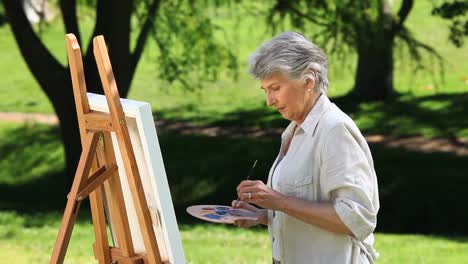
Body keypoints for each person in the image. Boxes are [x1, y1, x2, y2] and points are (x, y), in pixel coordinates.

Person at [232, 32, 380, 264]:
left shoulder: (335, 129)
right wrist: (261, 215)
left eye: (275, 88)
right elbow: (306, 207)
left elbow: (356, 218)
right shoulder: (294, 130)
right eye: (265, 91)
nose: (269, 101)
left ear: (308, 81)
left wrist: (277, 201)